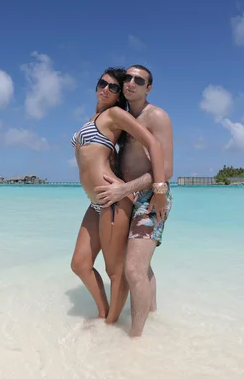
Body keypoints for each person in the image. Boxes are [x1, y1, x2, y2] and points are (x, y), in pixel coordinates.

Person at [70, 67, 167, 325]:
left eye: (113, 87)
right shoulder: (94, 118)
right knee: (80, 264)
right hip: (95, 202)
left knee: (116, 271)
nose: (105, 89)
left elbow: (153, 144)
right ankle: (104, 314)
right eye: (102, 83)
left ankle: (111, 324)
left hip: (111, 200)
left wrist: (159, 189)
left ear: (118, 96)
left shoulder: (114, 114)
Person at [94, 64, 174, 337]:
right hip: (126, 195)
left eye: (138, 80)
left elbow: (168, 168)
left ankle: (135, 339)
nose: (130, 83)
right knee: (141, 265)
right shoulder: (123, 116)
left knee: (133, 269)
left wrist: (154, 192)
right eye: (126, 78)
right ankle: (152, 314)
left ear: (148, 88)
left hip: (152, 198)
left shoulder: (157, 116)